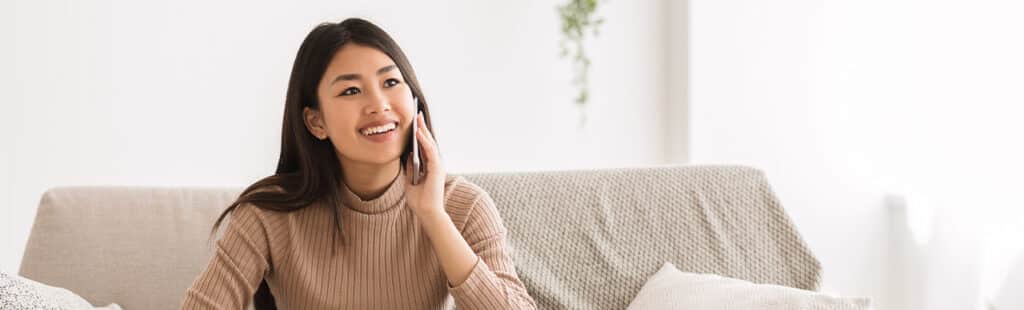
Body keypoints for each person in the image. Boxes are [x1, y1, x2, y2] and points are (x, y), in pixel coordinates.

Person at [180, 18, 537, 309]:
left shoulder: (464, 207)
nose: (379, 104)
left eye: (391, 82)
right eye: (351, 91)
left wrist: (433, 215)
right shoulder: (266, 215)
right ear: (315, 122)